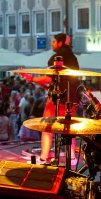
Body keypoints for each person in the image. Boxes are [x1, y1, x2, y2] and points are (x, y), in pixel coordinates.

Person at [21, 33, 79, 164]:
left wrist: (31, 78)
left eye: (53, 42)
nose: (52, 44)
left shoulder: (55, 58)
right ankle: (72, 158)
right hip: (72, 97)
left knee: (47, 127)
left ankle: (43, 157)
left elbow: (49, 78)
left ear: (59, 43)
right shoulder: (74, 59)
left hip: (57, 99)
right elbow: (64, 81)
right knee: (69, 128)